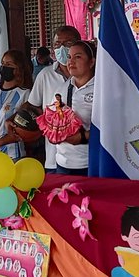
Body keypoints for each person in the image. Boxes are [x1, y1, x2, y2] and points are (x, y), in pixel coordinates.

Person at [23, 26, 80, 173]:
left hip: (84, 157)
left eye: (67, 44)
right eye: (57, 45)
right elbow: (31, 105)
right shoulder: (45, 75)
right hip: (54, 157)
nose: (62, 48)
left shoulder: (92, 76)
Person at [55, 41, 97, 176]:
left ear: (91, 62)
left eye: (78, 57)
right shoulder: (62, 89)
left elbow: (112, 128)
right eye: (69, 57)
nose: (71, 61)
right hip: (62, 163)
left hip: (90, 163)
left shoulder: (102, 91)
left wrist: (82, 137)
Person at [0, 50, 33, 161]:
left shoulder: (25, 93)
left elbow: (23, 127)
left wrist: (0, 142)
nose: (4, 67)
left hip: (12, 155)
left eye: (9, 64)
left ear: (19, 68)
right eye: (3, 64)